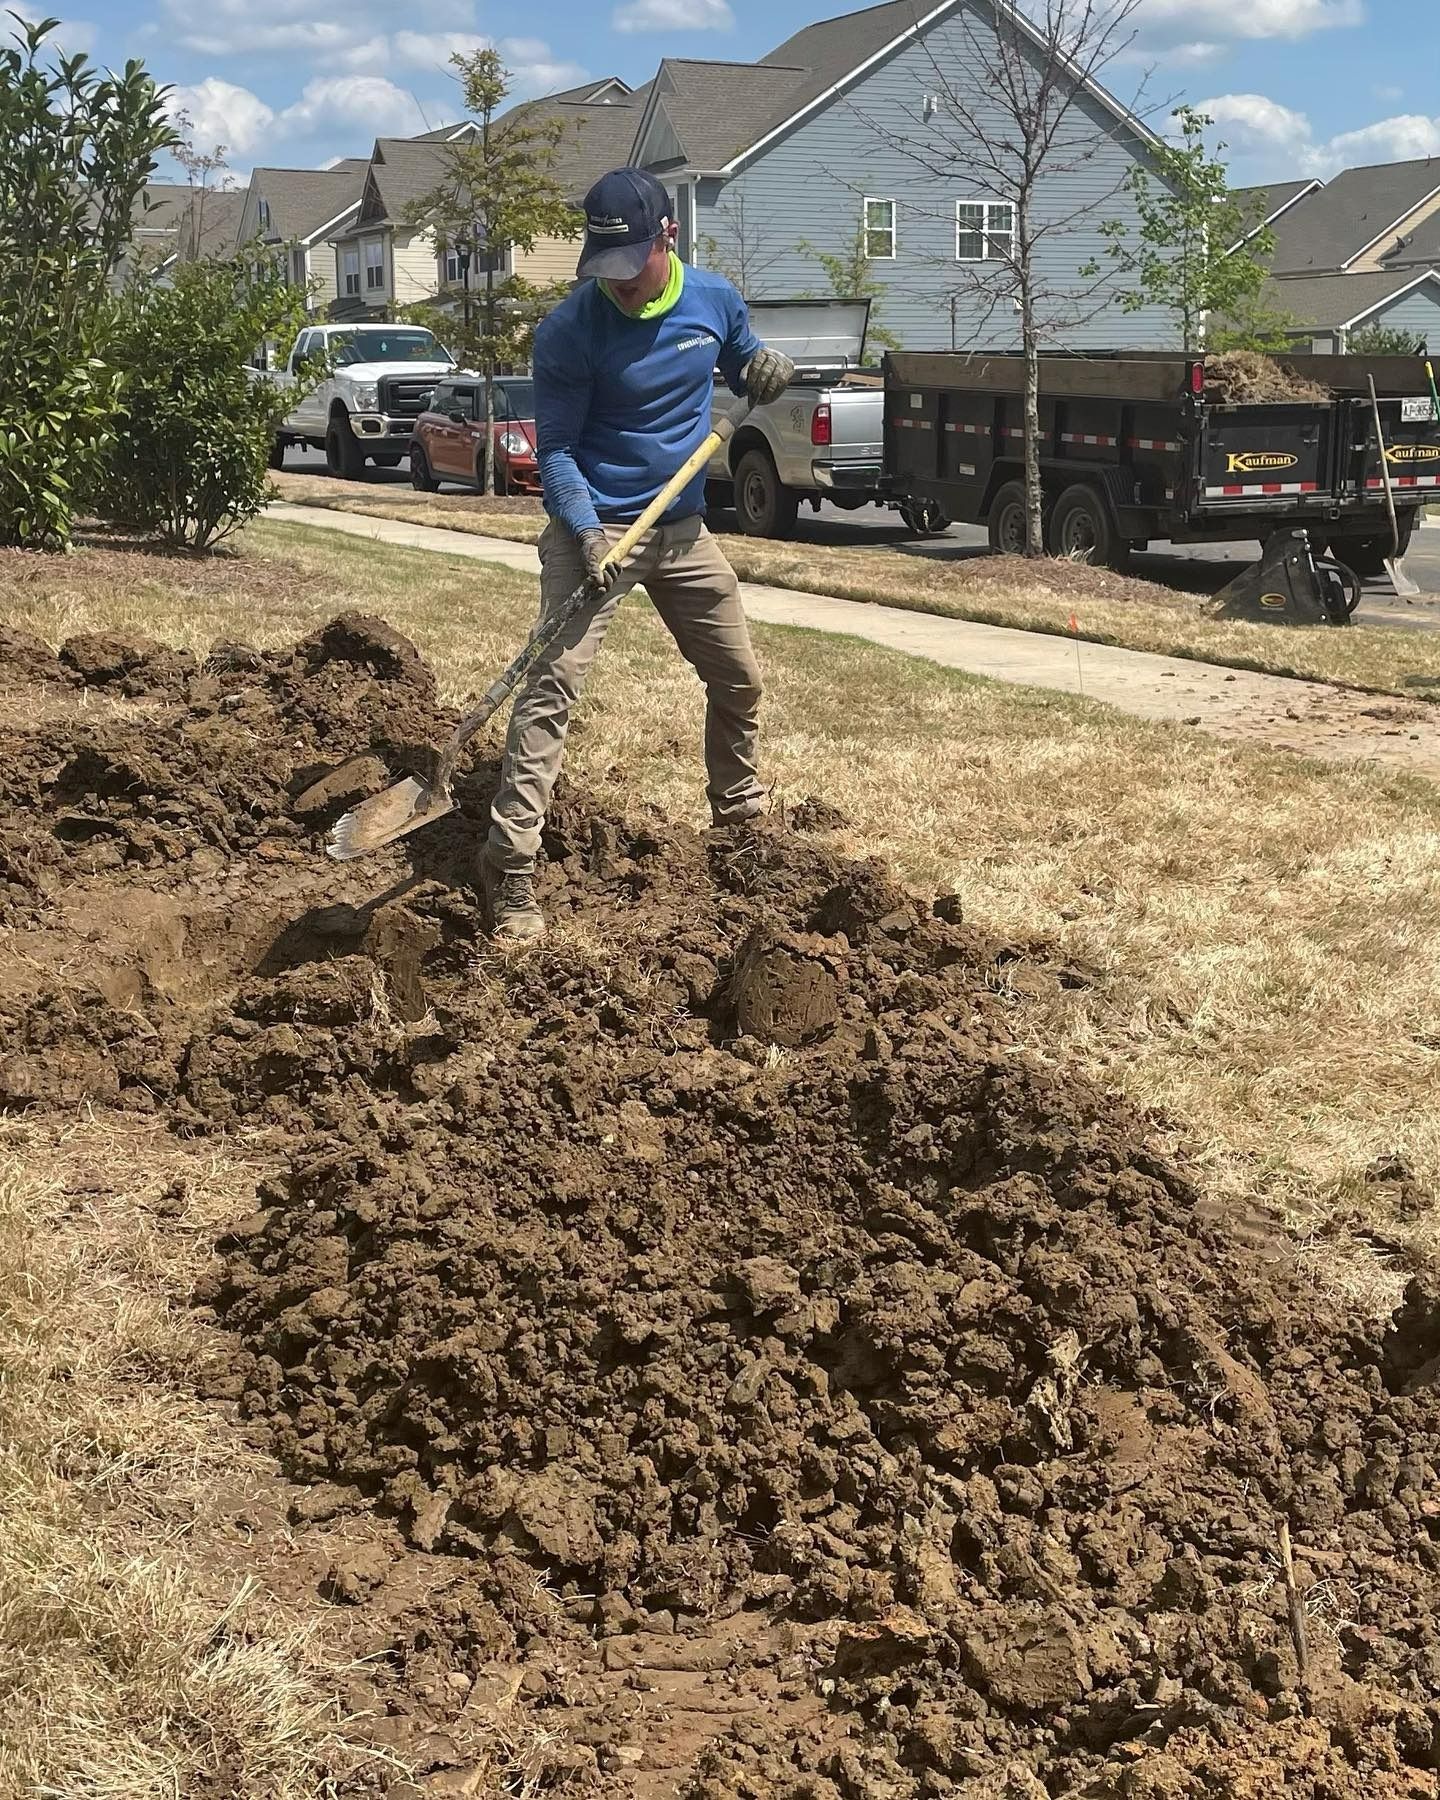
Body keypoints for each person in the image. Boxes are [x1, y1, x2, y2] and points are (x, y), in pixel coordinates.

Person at [479, 166, 794, 941]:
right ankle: (509, 868)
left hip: (682, 531)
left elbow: (746, 364)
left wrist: (767, 370)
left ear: (668, 238)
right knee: (550, 692)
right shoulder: (568, 331)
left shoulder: (713, 300)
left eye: (632, 270)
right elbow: (555, 452)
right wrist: (585, 531)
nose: (618, 286)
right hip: (596, 528)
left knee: (740, 680)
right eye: (604, 270)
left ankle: (740, 820)